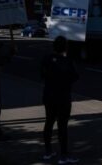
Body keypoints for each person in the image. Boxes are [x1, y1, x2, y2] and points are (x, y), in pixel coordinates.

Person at [41, 36, 79, 164]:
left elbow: (42, 75)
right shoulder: (67, 61)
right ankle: (63, 155)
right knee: (62, 126)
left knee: (49, 122)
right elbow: (75, 77)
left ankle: (48, 151)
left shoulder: (46, 59)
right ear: (65, 47)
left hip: (49, 95)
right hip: (62, 97)